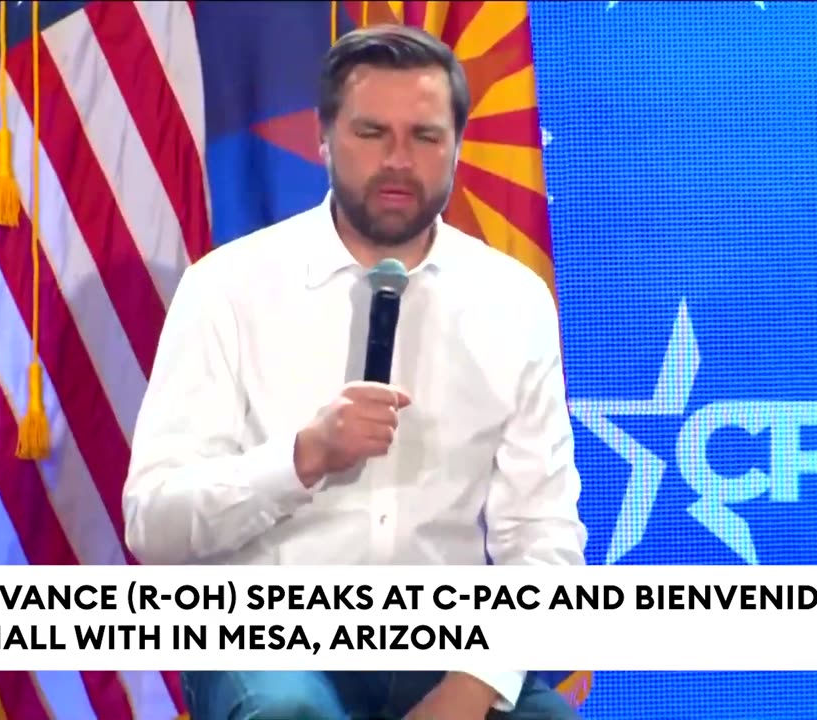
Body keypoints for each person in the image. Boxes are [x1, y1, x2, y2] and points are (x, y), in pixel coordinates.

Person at [123, 22, 587, 720]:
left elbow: (544, 539)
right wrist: (302, 457)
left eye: (426, 137)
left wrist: (472, 686)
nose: (399, 160)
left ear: (456, 147)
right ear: (324, 137)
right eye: (372, 133)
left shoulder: (512, 300)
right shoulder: (229, 287)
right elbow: (152, 523)